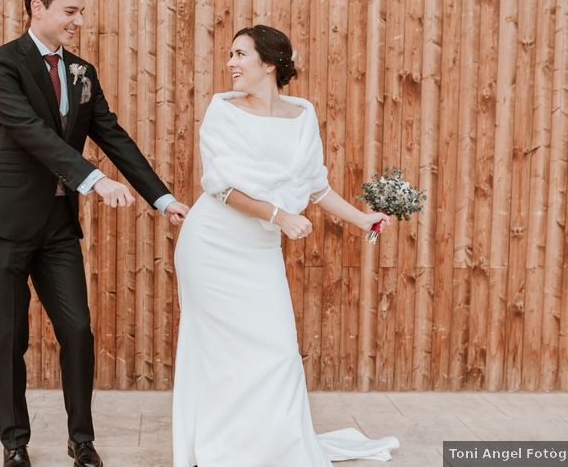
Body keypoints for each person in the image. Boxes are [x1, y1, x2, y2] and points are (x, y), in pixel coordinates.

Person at [0, 0, 189, 467]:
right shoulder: (0, 64)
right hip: (2, 221)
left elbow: (113, 135)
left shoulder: (82, 72)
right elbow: (27, 130)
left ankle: (81, 439)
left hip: (57, 224)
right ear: (37, 8)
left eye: (81, 11)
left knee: (78, 331)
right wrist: (93, 179)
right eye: (70, 11)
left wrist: (162, 198)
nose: (79, 21)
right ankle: (14, 443)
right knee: (9, 337)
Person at [171, 25, 400, 466]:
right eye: (230, 54)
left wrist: (361, 218)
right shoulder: (223, 111)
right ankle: (222, 448)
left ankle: (271, 446)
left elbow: (315, 186)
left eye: (240, 55)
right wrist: (279, 216)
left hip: (258, 250)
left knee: (276, 348)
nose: (231, 63)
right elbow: (220, 188)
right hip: (212, 245)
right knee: (220, 352)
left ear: (270, 63)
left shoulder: (302, 115)